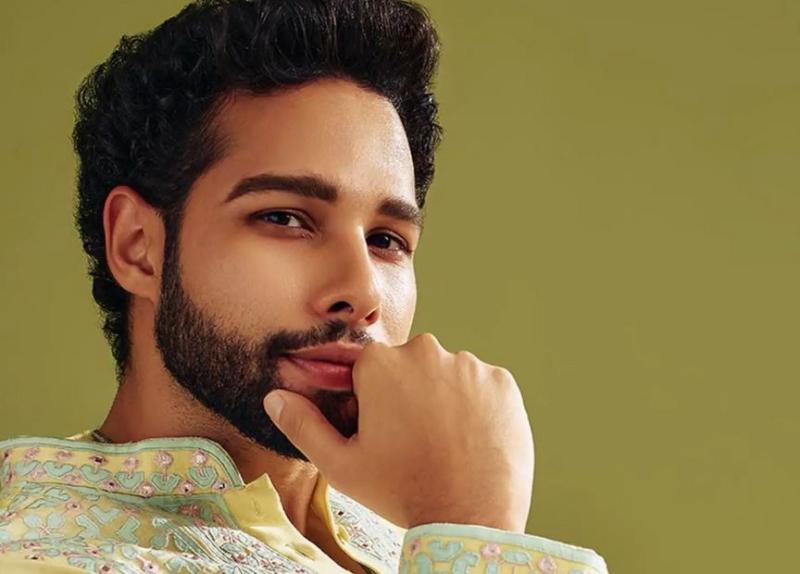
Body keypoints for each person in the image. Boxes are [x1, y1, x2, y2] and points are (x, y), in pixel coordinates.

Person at [0, 1, 609, 572]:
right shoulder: (42, 555)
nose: (362, 293)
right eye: (285, 218)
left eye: (386, 239)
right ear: (138, 246)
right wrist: (474, 526)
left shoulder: (408, 533)